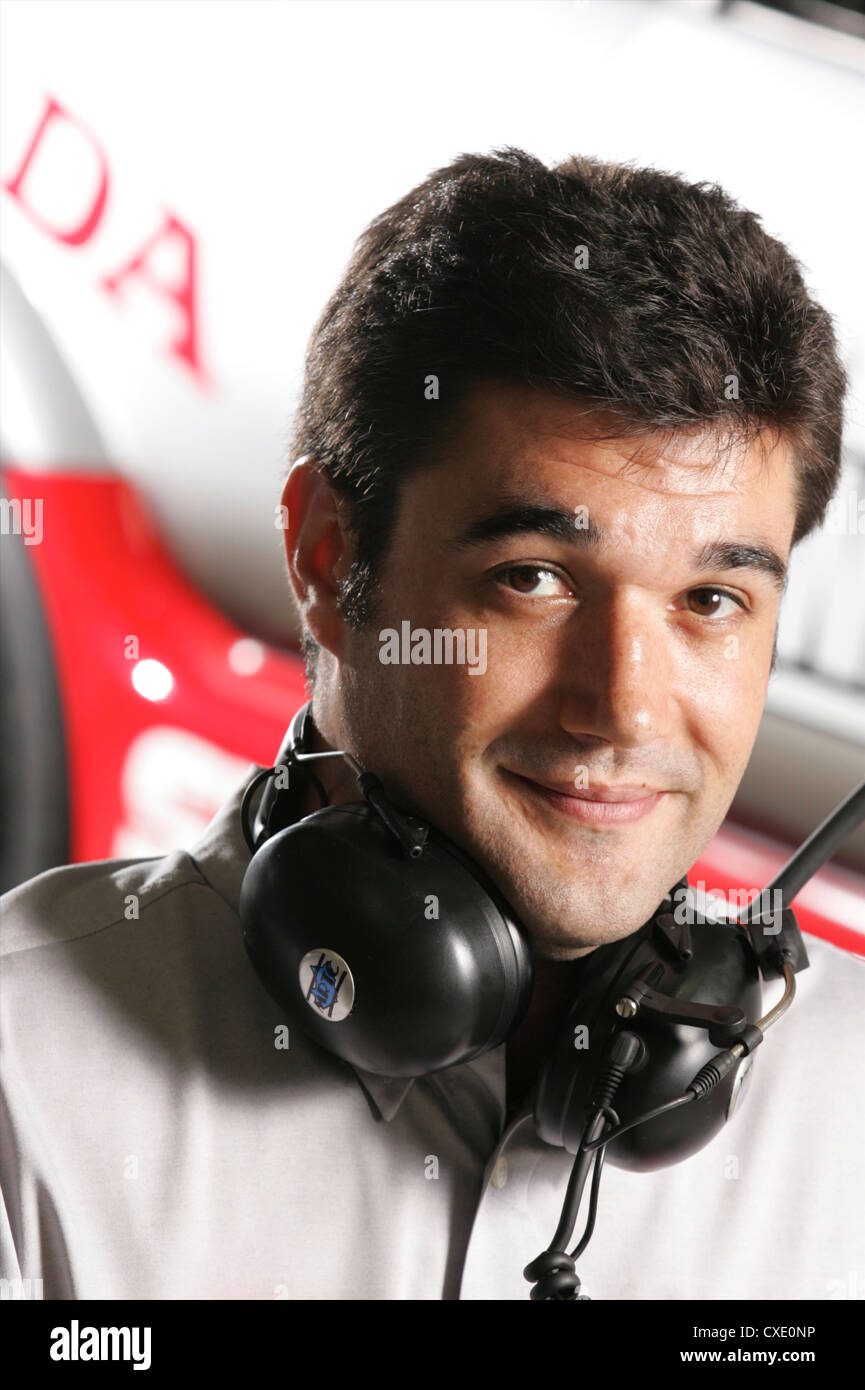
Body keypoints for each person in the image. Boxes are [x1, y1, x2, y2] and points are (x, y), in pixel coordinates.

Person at [1, 148, 862, 1303]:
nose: (625, 706)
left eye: (711, 601)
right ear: (324, 557)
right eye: (534, 578)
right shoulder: (24, 1078)